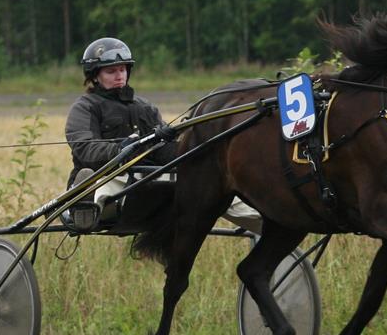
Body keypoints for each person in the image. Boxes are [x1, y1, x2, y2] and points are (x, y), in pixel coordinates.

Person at [64, 37, 260, 232]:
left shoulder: (144, 107)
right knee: (108, 183)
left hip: (150, 180)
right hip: (109, 176)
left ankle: (268, 220)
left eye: (122, 69)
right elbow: (84, 147)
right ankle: (85, 207)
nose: (119, 76)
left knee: (208, 181)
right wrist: (120, 150)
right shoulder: (85, 107)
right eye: (111, 71)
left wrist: (189, 146)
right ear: (95, 76)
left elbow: (167, 151)